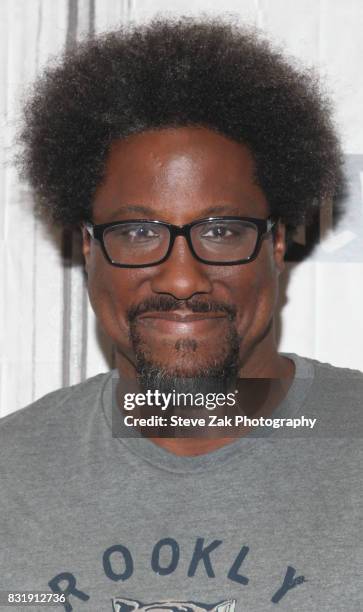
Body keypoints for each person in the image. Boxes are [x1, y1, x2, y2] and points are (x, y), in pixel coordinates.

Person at [1, 16, 362, 612]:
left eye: (221, 230)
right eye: (139, 230)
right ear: (89, 249)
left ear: (276, 246)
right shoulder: (12, 480)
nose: (182, 278)